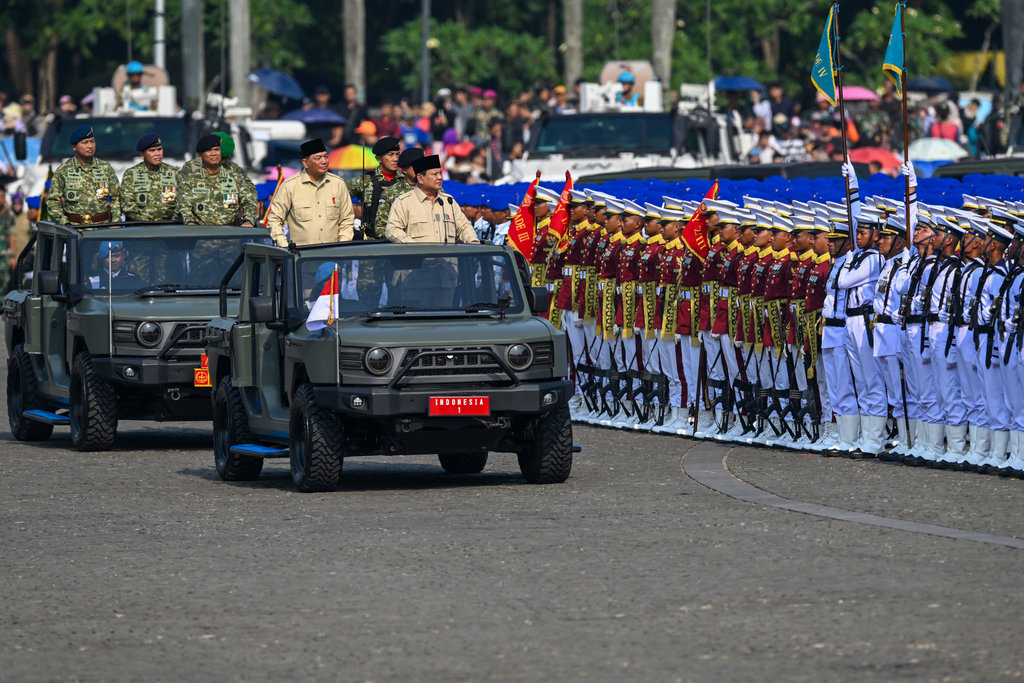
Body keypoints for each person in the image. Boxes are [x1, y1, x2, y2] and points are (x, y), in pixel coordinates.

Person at [267, 139, 354, 247]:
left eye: (326, 156)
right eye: (318, 158)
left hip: (333, 255)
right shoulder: (290, 186)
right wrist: (284, 245)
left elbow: (347, 219)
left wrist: (342, 245)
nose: (324, 161)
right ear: (305, 163)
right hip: (302, 257)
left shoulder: (338, 184)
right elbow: (274, 219)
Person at [384, 154, 479, 244]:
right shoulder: (404, 202)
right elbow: (392, 230)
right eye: (434, 174)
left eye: (440, 173)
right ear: (420, 178)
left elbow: (463, 226)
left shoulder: (448, 201)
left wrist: (472, 239)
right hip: (418, 259)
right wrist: (413, 247)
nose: (440, 177)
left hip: (448, 259)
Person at [47, 125, 121, 225]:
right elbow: (53, 201)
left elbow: (116, 198)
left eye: (92, 141)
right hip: (74, 228)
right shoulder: (64, 170)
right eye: (85, 143)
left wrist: (115, 223)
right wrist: (65, 224)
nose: (90, 146)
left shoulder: (105, 168)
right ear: (74, 147)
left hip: (102, 227)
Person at [178, 134, 257, 226]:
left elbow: (249, 200)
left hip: (230, 234)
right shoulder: (190, 179)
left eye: (217, 150)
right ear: (200, 155)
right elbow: (184, 205)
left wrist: (248, 220)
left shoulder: (235, 177)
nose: (214, 153)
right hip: (200, 234)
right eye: (209, 150)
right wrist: (190, 222)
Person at [347, 136, 403, 239]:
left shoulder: (405, 181)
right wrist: (353, 211)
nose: (395, 159)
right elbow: (339, 194)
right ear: (379, 159)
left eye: (397, 155)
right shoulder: (366, 181)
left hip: (399, 240)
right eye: (390, 155)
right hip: (371, 240)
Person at [119, 134, 179, 221]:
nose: (157, 154)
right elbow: (127, 205)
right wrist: (147, 221)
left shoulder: (173, 173)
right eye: (152, 151)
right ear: (142, 154)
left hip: (167, 226)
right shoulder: (131, 174)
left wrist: (171, 221)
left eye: (159, 149)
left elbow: (182, 202)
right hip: (140, 227)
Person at [373, 146, 423, 238]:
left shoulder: (435, 190)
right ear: (404, 170)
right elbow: (381, 228)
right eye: (416, 166)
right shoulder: (391, 193)